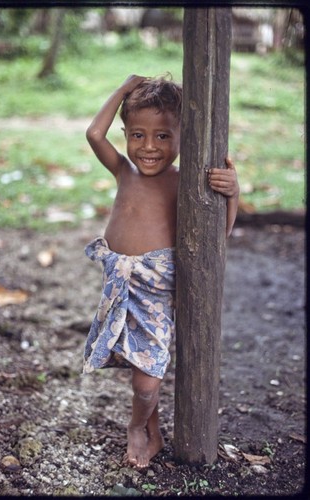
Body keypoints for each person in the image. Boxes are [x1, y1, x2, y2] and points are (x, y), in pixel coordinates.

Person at [83, 75, 239, 468]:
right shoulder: (123, 172)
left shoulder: (183, 184)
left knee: (146, 379)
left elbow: (219, 233)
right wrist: (121, 90)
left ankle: (137, 427)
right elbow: (94, 133)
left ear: (183, 136)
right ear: (126, 134)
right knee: (135, 366)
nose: (148, 147)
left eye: (163, 136)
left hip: (155, 293)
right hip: (119, 287)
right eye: (137, 135)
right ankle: (153, 433)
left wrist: (232, 194)